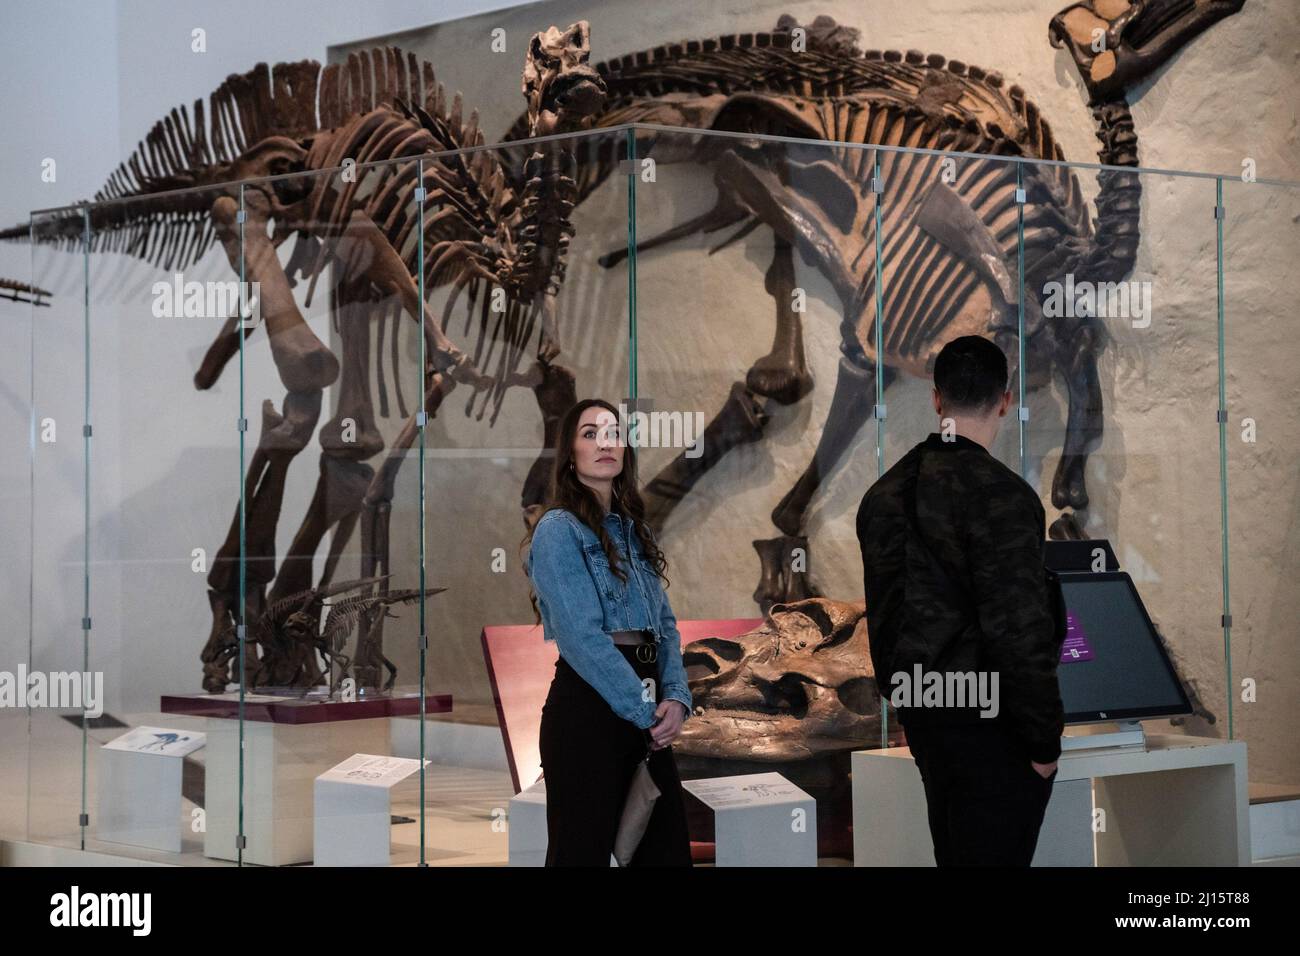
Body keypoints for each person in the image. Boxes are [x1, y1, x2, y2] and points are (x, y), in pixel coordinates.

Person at [855, 335, 1066, 866]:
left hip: (925, 713)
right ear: (1005, 400)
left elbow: (886, 614)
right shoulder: (1005, 495)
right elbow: (1018, 629)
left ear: (936, 398)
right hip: (992, 725)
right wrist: (1044, 741)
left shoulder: (883, 494)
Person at [521, 397, 694, 866]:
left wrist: (676, 696)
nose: (605, 443)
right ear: (570, 453)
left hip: (647, 708)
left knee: (666, 854)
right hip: (589, 712)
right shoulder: (558, 529)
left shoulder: (636, 531)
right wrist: (644, 711)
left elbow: (665, 626)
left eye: (614, 433)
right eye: (590, 434)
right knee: (580, 855)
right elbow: (581, 637)